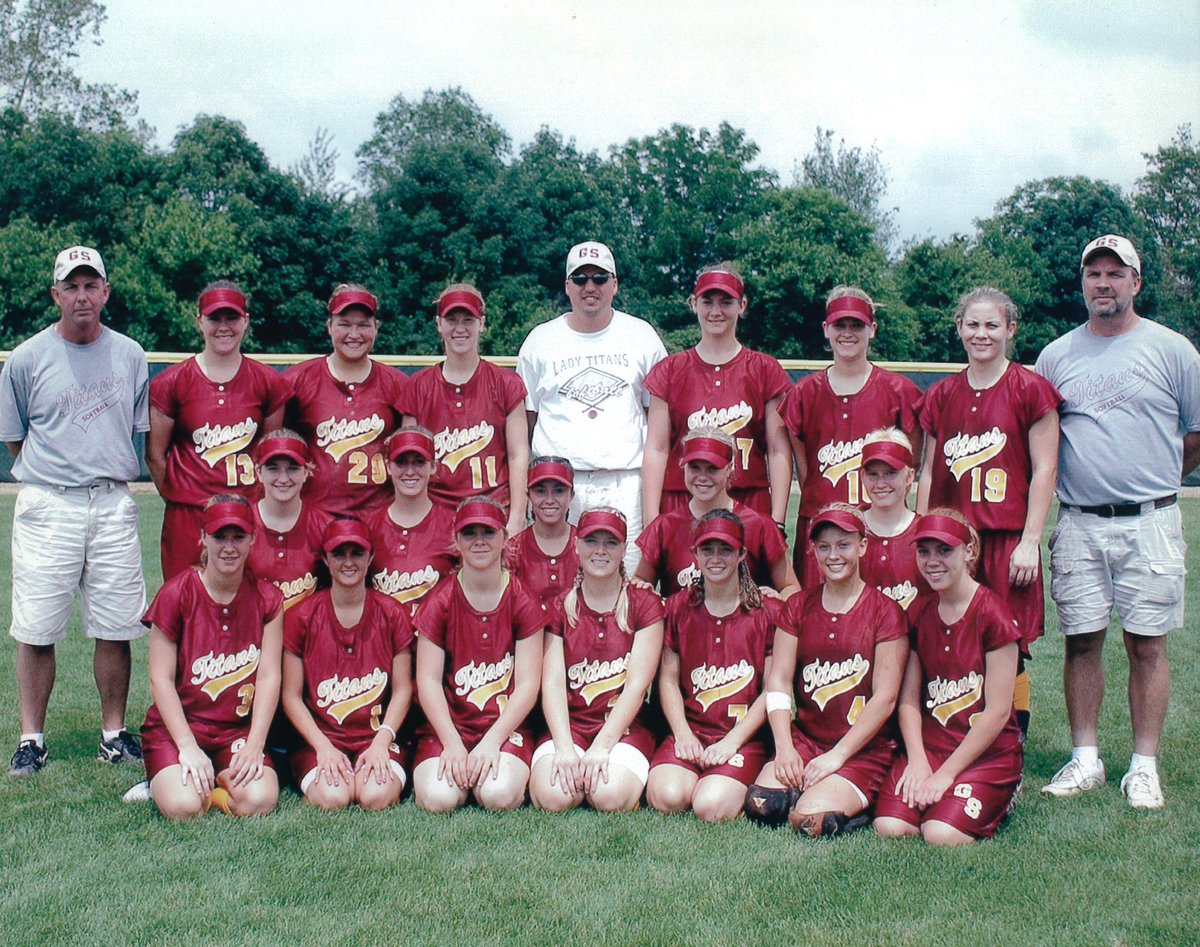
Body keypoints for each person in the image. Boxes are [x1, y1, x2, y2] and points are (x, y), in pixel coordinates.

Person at [1035, 234, 1200, 810]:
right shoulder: (1056, 356)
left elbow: (1195, 433)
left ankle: (1144, 765)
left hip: (1150, 520)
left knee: (1147, 646)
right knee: (1081, 641)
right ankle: (1085, 758)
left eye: (1115, 273)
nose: (1103, 283)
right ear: (1082, 284)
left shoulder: (1173, 349)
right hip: (1079, 520)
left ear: (1136, 283)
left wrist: (1153, 483)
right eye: (1093, 274)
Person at [1, 246, 149, 776]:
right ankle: (32, 739)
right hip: (49, 501)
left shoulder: (130, 354)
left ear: (106, 292)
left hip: (111, 500)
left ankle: (113, 733)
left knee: (116, 625)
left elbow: (135, 432)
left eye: (92, 284)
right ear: (55, 294)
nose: (82, 295)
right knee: (37, 627)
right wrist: (55, 476)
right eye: (72, 285)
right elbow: (16, 440)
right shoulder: (25, 357)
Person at [917, 287, 1061, 736]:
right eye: (973, 324)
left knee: (1007, 644)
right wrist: (918, 537)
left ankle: (1009, 743)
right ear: (959, 328)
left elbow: (1045, 469)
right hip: (951, 543)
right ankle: (952, 733)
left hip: (1003, 539)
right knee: (948, 637)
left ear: (1010, 330)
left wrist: (1030, 540)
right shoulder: (942, 394)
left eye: (992, 325)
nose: (982, 334)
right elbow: (926, 472)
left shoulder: (1030, 389)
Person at [748, 505, 907, 836]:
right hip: (807, 739)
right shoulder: (798, 606)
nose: (833, 555)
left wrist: (837, 757)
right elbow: (777, 681)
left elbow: (886, 698)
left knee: (810, 820)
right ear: (813, 550)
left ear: (862, 546)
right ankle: (820, 791)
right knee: (763, 804)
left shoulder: (885, 611)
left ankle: (858, 799)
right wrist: (785, 747)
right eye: (824, 546)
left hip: (863, 749)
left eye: (843, 545)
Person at [873, 510, 1022, 845]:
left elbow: (998, 711)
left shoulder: (992, 614)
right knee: (891, 826)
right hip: (932, 746)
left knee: (939, 834)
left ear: (968, 551)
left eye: (944, 550)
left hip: (986, 753)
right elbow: (909, 699)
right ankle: (941, 791)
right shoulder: (920, 612)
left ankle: (1007, 791)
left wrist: (945, 776)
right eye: (924, 551)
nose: (932, 561)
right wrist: (917, 760)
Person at [517, 241, 667, 571]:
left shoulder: (641, 336)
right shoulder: (540, 340)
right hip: (557, 485)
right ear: (567, 285)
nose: (590, 286)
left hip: (624, 481)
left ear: (615, 284)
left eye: (599, 278)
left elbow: (656, 426)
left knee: (625, 583)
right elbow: (524, 427)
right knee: (557, 582)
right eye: (580, 278)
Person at [139, 496, 284, 819]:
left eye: (238, 537)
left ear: (252, 539)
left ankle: (215, 783)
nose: (229, 547)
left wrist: (255, 744)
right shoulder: (177, 593)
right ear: (203, 537)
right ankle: (168, 779)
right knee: (183, 807)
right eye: (220, 536)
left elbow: (268, 675)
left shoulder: (268, 598)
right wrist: (188, 747)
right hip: (179, 728)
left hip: (235, 730)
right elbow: (160, 679)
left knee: (258, 801)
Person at [778, 287, 922, 587]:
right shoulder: (804, 393)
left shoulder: (899, 391)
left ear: (873, 330)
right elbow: (807, 472)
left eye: (857, 324)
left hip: (879, 530)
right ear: (825, 329)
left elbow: (911, 463)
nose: (848, 333)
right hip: (821, 529)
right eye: (839, 325)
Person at [147, 281, 288, 580]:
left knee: (248, 607)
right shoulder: (172, 382)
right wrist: (180, 498)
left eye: (232, 318)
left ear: (246, 321)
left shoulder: (267, 382)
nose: (223, 327)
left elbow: (270, 456)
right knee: (186, 605)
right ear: (199, 321)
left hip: (247, 511)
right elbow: (155, 456)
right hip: (188, 515)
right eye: (214, 318)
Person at [412, 497, 546, 812]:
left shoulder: (523, 599)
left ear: (504, 538)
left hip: (505, 726)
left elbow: (528, 684)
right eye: (469, 533)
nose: (479, 541)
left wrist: (491, 741)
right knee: (439, 798)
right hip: (451, 724)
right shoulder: (439, 600)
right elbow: (428, 680)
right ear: (456, 541)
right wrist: (452, 743)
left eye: (488, 532)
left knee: (498, 795)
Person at [647, 511, 781, 822]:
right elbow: (667, 681)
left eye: (726, 549)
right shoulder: (680, 605)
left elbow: (774, 689)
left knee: (710, 806)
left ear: (742, 553)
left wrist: (732, 742)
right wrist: (682, 734)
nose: (716, 558)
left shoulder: (767, 610)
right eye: (707, 549)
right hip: (693, 731)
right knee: (667, 797)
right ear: (694, 553)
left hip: (743, 738)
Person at [530, 508, 664, 813]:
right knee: (554, 797)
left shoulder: (644, 604)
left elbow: (636, 686)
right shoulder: (559, 606)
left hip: (625, 728)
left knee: (609, 796)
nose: (600, 550)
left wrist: (603, 747)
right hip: (571, 726)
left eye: (611, 542)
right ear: (576, 546)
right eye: (592, 541)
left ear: (624, 549)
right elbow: (551, 683)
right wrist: (564, 747)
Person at [641, 264, 792, 528]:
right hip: (681, 502)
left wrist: (777, 518)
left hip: (748, 500)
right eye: (707, 301)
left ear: (742, 305)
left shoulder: (764, 369)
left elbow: (778, 449)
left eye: (726, 302)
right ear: (693, 304)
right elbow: (656, 448)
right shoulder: (670, 370)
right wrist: (652, 518)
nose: (715, 311)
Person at [281, 518, 414, 811]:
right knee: (334, 797)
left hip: (376, 733)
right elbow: (290, 696)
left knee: (375, 796)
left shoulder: (393, 613)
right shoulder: (301, 617)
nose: (348, 562)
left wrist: (382, 741)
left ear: (370, 558)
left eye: (357, 553)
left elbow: (404, 688)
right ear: (326, 560)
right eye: (339, 554)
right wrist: (323, 747)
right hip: (321, 738)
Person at [406, 284, 528, 534]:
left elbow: (518, 454)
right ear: (439, 324)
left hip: (493, 513)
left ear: (481, 323)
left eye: (468, 320)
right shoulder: (419, 386)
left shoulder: (505, 383)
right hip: (435, 517)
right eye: (451, 319)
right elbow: (409, 461)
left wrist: (516, 517)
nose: (459, 328)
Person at [284, 283, 409, 518]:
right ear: (329, 326)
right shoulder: (297, 381)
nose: (354, 334)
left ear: (376, 328)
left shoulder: (399, 385)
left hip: (379, 518)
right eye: (344, 324)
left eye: (363, 325)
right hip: (315, 517)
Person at [635, 427, 796, 598]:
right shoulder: (665, 526)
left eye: (712, 468)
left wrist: (777, 600)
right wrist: (649, 598)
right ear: (683, 467)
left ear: (730, 468)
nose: (702, 477)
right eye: (694, 467)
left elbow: (791, 587)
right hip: (681, 624)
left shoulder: (758, 524)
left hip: (745, 623)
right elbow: (640, 582)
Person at [364, 426, 457, 616]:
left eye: (419, 462)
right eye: (401, 462)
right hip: (381, 639)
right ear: (388, 466)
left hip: (433, 641)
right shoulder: (367, 526)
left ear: (433, 467)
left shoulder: (454, 525)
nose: (410, 471)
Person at [247, 429, 333, 612]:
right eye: (273, 468)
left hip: (308, 635)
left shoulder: (325, 526)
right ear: (258, 472)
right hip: (251, 634)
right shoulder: (242, 525)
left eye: (292, 468)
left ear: (306, 472)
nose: (283, 478)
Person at [858, 430, 930, 611]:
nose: (881, 483)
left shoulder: (926, 534)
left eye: (891, 473)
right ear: (862, 476)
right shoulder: (849, 532)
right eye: (872, 474)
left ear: (910, 476)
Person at [506, 456, 579, 607]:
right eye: (540, 491)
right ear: (528, 496)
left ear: (571, 495)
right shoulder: (513, 549)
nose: (550, 499)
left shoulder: (586, 545)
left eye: (559, 491)